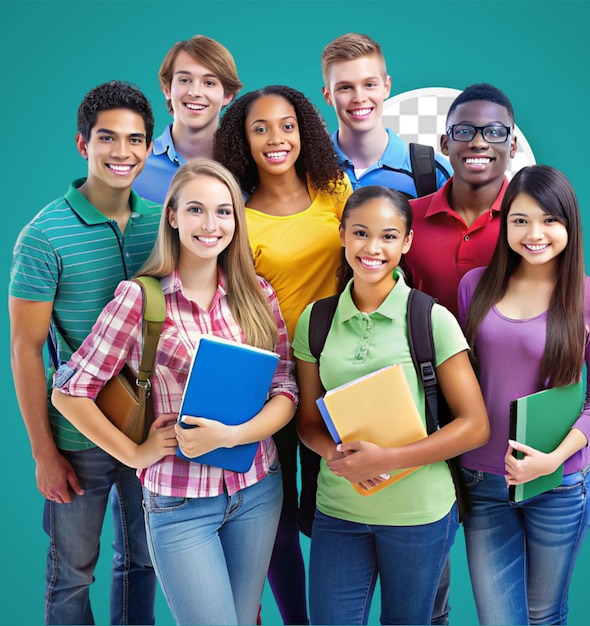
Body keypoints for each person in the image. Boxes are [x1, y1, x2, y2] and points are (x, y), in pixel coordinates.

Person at [51, 158, 298, 626]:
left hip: (258, 491)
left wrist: (232, 436)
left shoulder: (258, 294)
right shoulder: (140, 298)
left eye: (224, 212)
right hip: (180, 503)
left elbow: (285, 388)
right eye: (197, 210)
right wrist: (135, 454)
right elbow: (69, 391)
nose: (211, 225)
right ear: (173, 216)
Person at [293, 185, 490, 625]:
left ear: (407, 242)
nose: (372, 248)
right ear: (342, 234)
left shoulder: (430, 318)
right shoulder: (316, 320)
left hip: (418, 514)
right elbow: (307, 420)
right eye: (361, 233)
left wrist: (389, 459)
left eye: (388, 236)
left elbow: (475, 425)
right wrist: (335, 455)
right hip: (339, 511)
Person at [8, 80, 160, 625]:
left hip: (151, 429)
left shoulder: (165, 222)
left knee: (144, 562)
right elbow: (25, 350)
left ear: (149, 146)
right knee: (72, 574)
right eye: (108, 138)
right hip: (77, 439)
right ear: (82, 144)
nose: (122, 152)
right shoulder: (43, 235)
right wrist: (43, 453)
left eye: (136, 140)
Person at [214, 84, 351, 625]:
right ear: (242, 141)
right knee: (273, 515)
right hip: (268, 381)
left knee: (334, 505)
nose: (277, 139)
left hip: (336, 373)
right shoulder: (238, 214)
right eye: (261, 128)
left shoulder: (335, 191)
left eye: (287, 125)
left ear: (305, 131)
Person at [458, 165, 590, 625]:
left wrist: (552, 459)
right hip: (483, 481)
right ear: (505, 223)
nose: (535, 233)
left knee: (543, 614)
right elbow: (465, 381)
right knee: (499, 619)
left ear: (569, 225)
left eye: (550, 220)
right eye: (521, 220)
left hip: (559, 483)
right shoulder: (475, 288)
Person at [403, 83, 518, 318]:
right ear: (445, 144)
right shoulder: (406, 219)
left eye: (495, 132)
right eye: (464, 131)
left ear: (513, 146)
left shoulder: (532, 224)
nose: (478, 143)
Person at [321, 32, 451, 197]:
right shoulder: (305, 171)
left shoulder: (433, 172)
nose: (359, 98)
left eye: (369, 84)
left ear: (386, 87)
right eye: (345, 87)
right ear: (328, 96)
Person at [134, 34, 242, 204]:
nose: (195, 92)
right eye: (185, 80)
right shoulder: (136, 165)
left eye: (209, 83)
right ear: (167, 89)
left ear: (227, 95)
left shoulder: (247, 166)